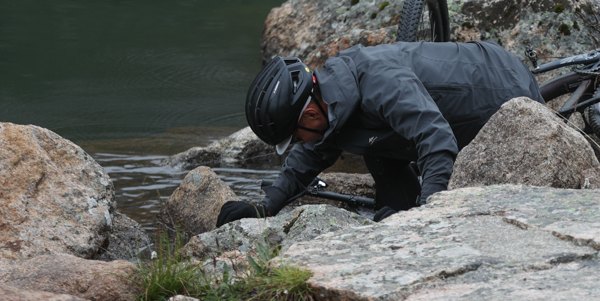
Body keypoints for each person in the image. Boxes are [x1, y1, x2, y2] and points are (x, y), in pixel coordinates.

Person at [215, 40, 544, 226]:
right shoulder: (334, 97)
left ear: (311, 113)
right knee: (370, 144)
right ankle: (400, 207)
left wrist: (429, 214)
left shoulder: (378, 83)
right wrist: (266, 206)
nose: (299, 143)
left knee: (386, 143)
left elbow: (437, 138)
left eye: (297, 136)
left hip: (506, 89)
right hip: (460, 108)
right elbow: (313, 152)